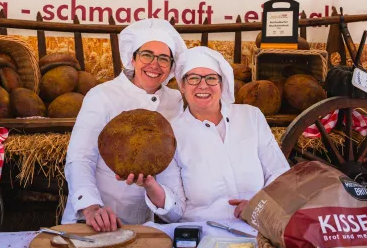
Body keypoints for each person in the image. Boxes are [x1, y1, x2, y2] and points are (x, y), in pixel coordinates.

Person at [122, 46, 290, 222]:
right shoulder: (171, 134)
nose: (203, 85)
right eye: (193, 78)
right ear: (182, 85)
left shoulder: (251, 117)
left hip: (258, 232)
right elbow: (175, 212)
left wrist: (260, 205)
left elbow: (279, 173)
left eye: (211, 78)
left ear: (221, 83)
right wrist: (150, 185)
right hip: (203, 237)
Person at [62, 18, 187, 230]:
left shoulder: (176, 101)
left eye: (164, 59)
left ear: (171, 67)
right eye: (147, 55)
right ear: (133, 58)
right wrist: (91, 207)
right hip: (93, 219)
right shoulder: (102, 95)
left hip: (142, 225)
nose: (154, 64)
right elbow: (80, 157)